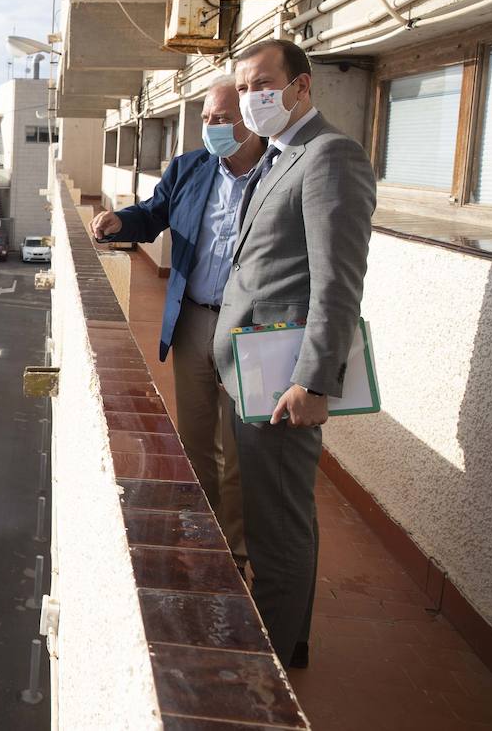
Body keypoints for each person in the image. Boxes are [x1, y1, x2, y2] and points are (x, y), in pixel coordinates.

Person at [213, 39, 376, 671]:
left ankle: (269, 665)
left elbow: (338, 282)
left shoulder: (329, 156)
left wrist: (315, 382)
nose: (252, 99)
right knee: (275, 512)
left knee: (275, 526)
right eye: (246, 86)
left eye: (262, 84)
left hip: (283, 379)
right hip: (252, 372)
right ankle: (290, 635)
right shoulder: (282, 156)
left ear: (301, 87)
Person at [91, 77, 264, 566]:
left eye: (222, 118)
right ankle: (202, 533)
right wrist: (120, 221)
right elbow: (154, 212)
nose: (211, 127)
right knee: (195, 438)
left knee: (240, 448)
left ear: (249, 120)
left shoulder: (275, 173)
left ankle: (234, 552)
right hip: (192, 322)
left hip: (249, 331)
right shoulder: (190, 167)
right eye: (206, 118)